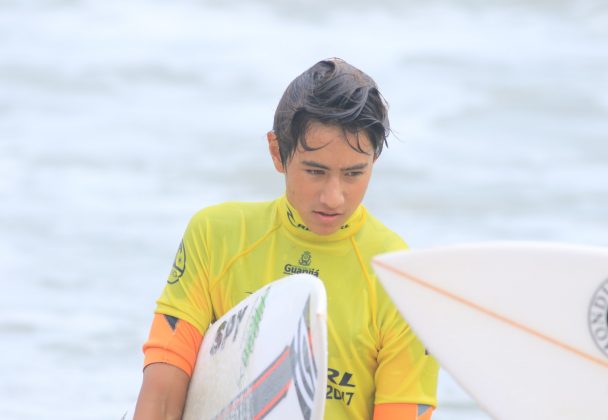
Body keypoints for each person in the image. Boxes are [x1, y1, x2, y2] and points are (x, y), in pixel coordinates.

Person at [133, 58, 439, 420]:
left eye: (354, 173)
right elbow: (161, 401)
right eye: (315, 171)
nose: (333, 197)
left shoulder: (402, 280)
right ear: (277, 152)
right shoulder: (216, 238)